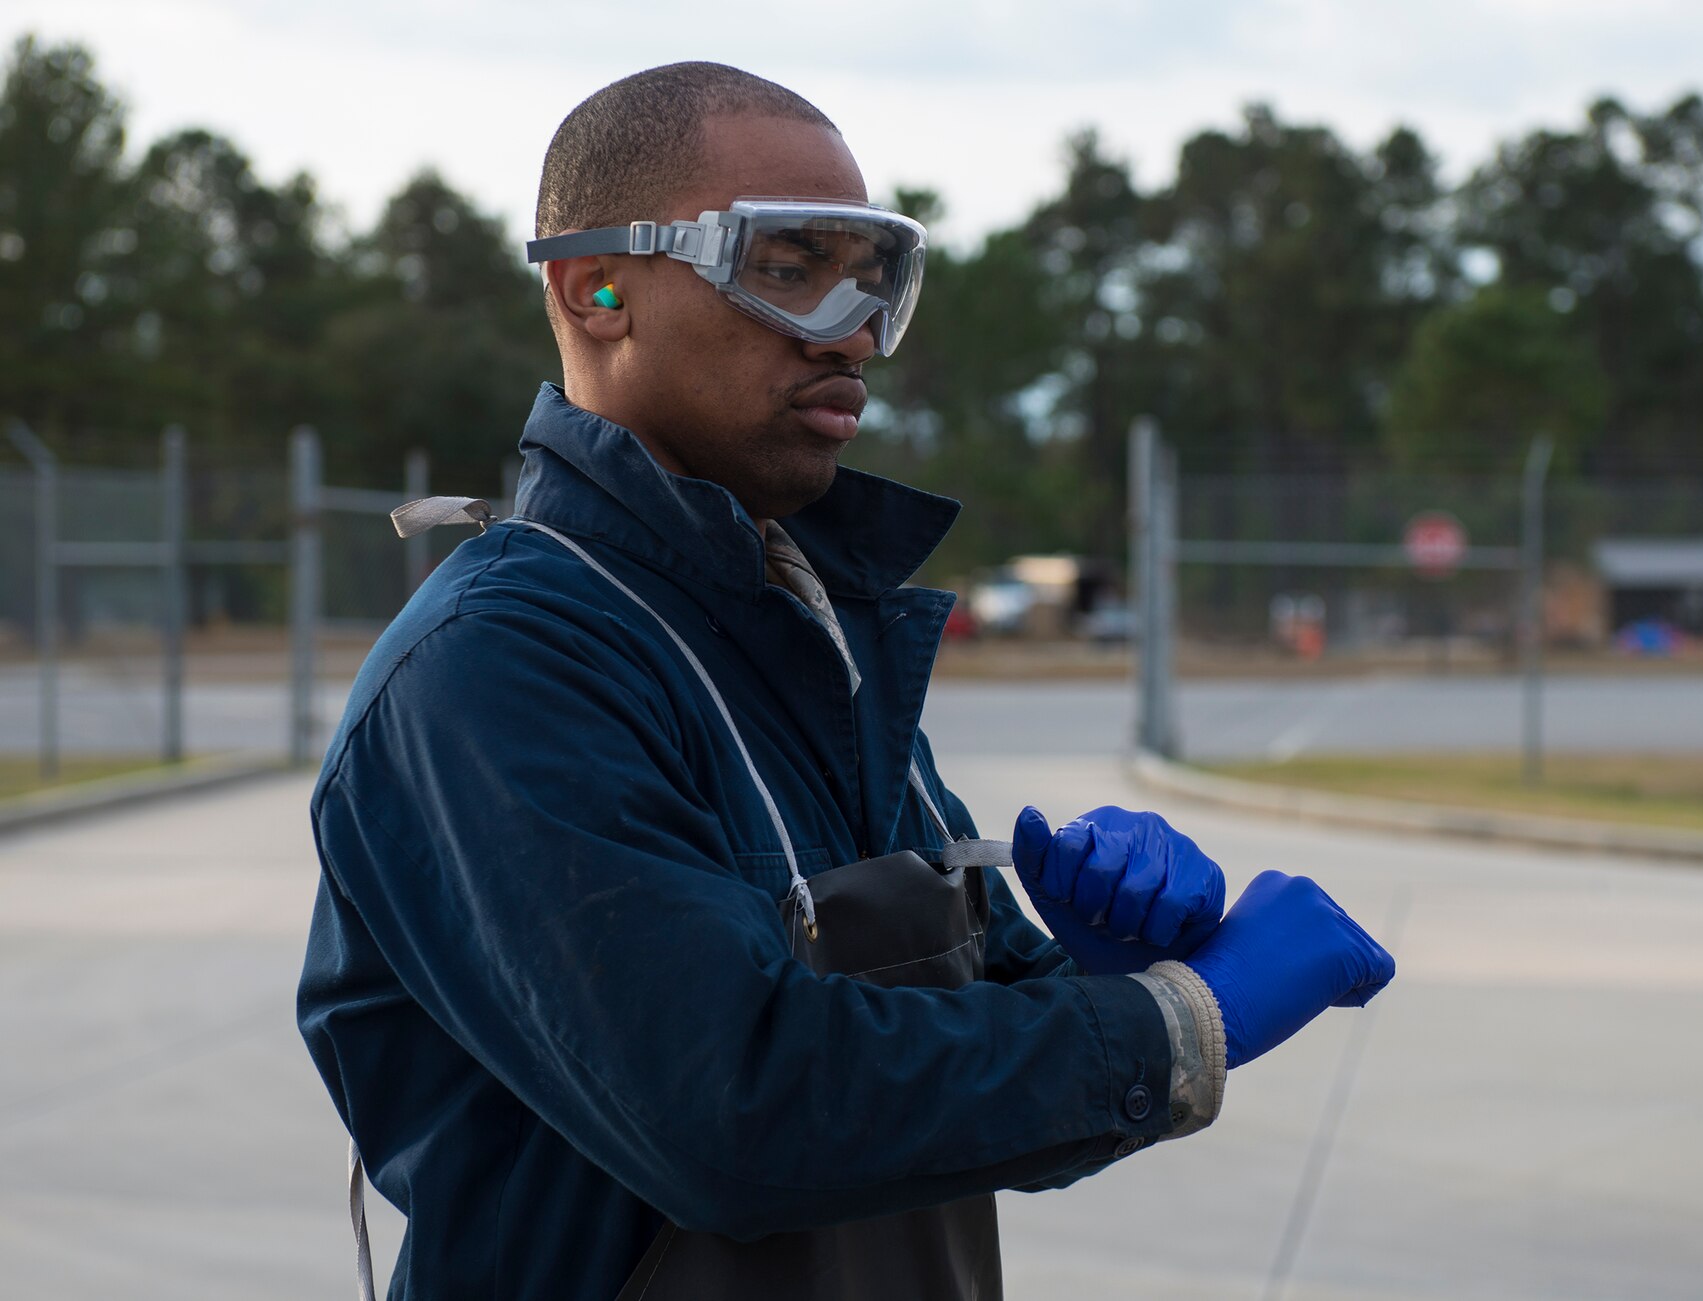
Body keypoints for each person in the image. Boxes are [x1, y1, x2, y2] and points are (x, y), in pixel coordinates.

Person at [297, 61, 1395, 1301]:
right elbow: (738, 1113)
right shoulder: (499, 668)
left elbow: (946, 1084)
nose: (854, 329)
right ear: (594, 288)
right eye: (786, 267)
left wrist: (1094, 976)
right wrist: (1184, 1020)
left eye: (876, 277)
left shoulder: (803, 630)